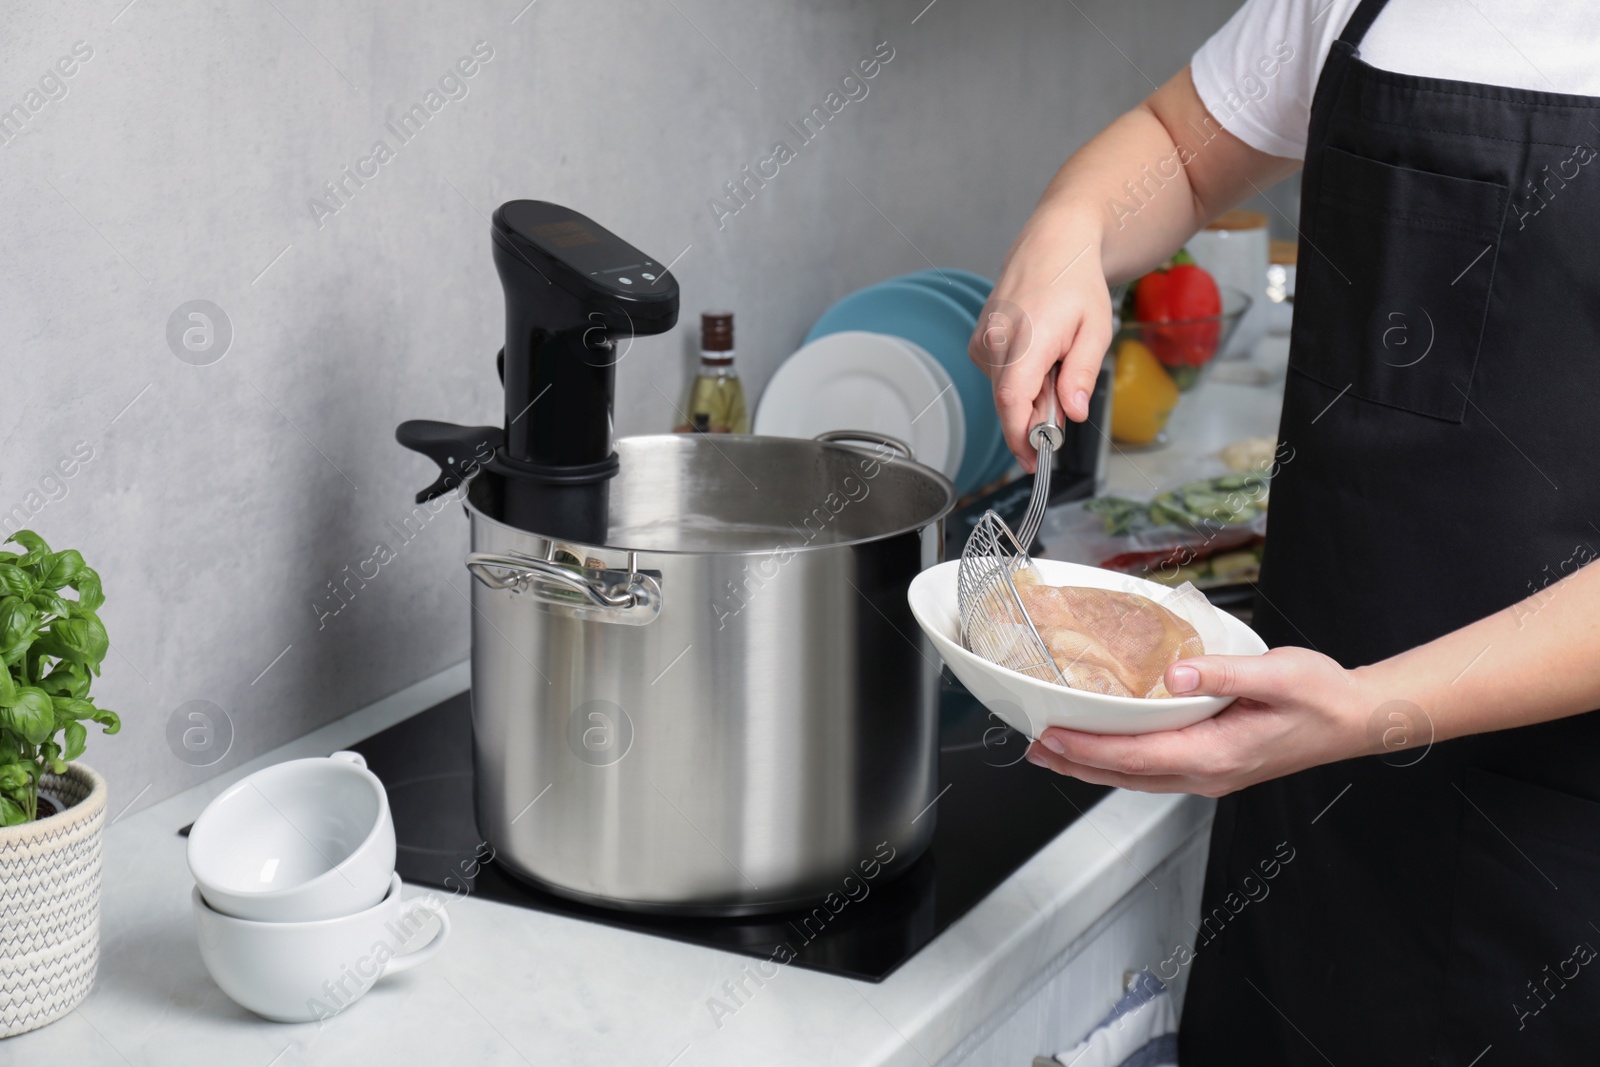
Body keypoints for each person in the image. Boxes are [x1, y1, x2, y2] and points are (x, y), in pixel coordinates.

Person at [968, 0, 1600, 1060]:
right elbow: (1179, 144)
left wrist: (1365, 709)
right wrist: (1068, 228)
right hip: (1309, 807)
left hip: (1559, 859)